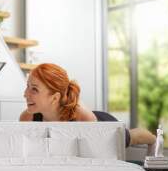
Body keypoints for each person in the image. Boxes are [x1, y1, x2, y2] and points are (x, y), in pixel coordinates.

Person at [19, 63, 156, 149]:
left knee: (130, 137)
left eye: (34, 89)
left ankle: (154, 137)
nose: (25, 94)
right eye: (27, 87)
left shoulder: (82, 116)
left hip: (102, 126)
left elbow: (96, 153)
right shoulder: (27, 117)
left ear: (55, 97)